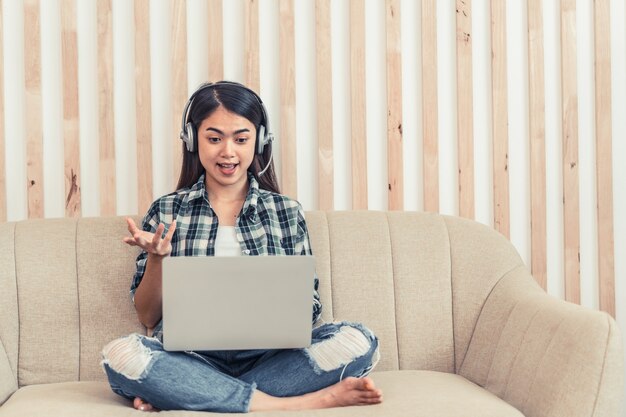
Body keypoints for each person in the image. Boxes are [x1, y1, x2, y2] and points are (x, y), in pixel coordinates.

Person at [100, 81, 382, 413]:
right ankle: (294, 404)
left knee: (358, 340)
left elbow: (310, 310)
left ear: (260, 142)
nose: (228, 151)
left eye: (241, 139)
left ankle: (193, 394)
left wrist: (170, 388)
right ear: (193, 140)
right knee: (122, 354)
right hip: (191, 359)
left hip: (272, 359)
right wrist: (158, 258)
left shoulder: (285, 212)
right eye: (214, 138)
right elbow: (147, 315)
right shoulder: (167, 211)